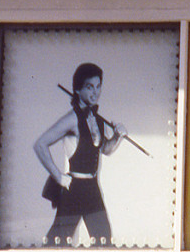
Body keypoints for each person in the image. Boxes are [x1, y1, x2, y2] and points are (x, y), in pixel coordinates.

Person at [34, 63, 127, 247]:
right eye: (89, 87)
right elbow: (40, 144)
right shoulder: (72, 119)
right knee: (57, 241)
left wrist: (117, 136)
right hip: (74, 190)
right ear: (77, 89)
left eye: (98, 86)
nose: (95, 92)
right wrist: (59, 176)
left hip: (93, 188)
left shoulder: (97, 119)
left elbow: (105, 150)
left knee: (104, 240)